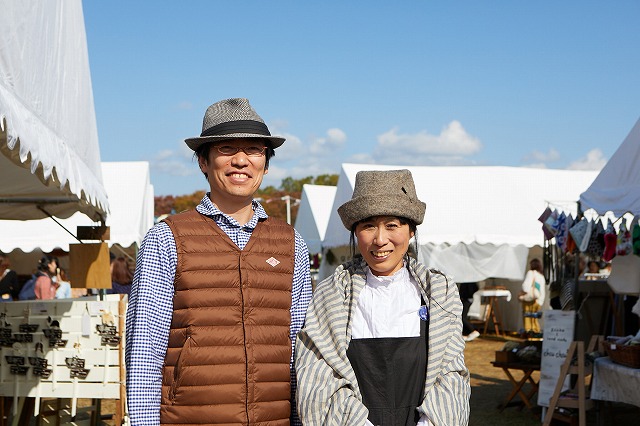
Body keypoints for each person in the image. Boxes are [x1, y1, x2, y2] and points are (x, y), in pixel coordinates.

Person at [125, 98, 312, 426]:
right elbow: (144, 350)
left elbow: (300, 347)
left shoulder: (291, 242)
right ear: (203, 161)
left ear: (266, 164)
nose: (241, 160)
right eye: (226, 148)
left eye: (254, 149)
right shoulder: (166, 238)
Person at [296, 169, 470, 426]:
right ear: (356, 233)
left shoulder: (439, 293)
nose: (380, 240)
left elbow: (450, 374)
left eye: (392, 225)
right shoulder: (331, 295)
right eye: (368, 226)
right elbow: (319, 376)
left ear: (411, 231)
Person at [518, 258, 546, 333]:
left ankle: (529, 337)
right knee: (534, 320)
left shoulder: (531, 273)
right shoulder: (541, 276)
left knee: (528, 320)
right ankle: (536, 335)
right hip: (538, 301)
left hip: (530, 300)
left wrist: (521, 294)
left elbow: (525, 287)